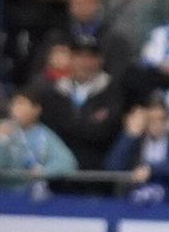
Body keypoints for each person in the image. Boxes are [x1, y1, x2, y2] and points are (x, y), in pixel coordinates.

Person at [36, 36, 126, 171]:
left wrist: (71, 126)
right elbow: (50, 130)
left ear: (100, 60)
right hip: (60, 174)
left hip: (98, 175)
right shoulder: (54, 92)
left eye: (91, 57)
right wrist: (88, 124)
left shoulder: (113, 91)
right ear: (71, 59)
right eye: (79, 56)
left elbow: (105, 132)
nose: (85, 62)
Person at [0, 87, 79, 190]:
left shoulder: (44, 134)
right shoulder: (1, 129)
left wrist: (43, 172)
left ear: (36, 109)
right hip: (1, 193)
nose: (16, 108)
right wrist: (0, 141)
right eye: (14, 104)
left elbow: (68, 163)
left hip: (31, 196)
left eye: (21, 103)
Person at [108, 96, 169, 201]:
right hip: (137, 195)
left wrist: (151, 169)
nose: (156, 124)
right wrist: (129, 136)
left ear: (168, 120)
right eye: (151, 120)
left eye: (161, 119)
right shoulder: (136, 141)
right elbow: (114, 165)